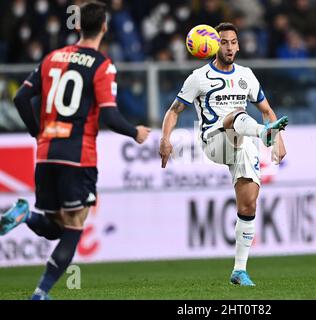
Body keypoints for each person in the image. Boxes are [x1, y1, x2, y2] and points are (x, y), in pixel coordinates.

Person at [0, 1, 150, 300]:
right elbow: (109, 116)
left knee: (56, 227)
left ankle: (25, 215)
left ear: (77, 26)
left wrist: (37, 131)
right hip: (77, 155)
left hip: (45, 153)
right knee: (74, 226)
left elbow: (21, 99)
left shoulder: (52, 57)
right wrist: (136, 132)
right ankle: (41, 293)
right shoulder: (102, 65)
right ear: (105, 28)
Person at [159, 22, 288, 286]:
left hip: (242, 140)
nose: (229, 47)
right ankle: (264, 134)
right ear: (215, 45)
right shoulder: (198, 78)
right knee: (236, 115)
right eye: (224, 42)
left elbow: (266, 110)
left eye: (233, 42)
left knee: (249, 203)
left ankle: (239, 270)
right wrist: (165, 139)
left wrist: (279, 141)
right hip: (215, 141)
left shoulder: (247, 75)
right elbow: (174, 110)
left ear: (239, 45)